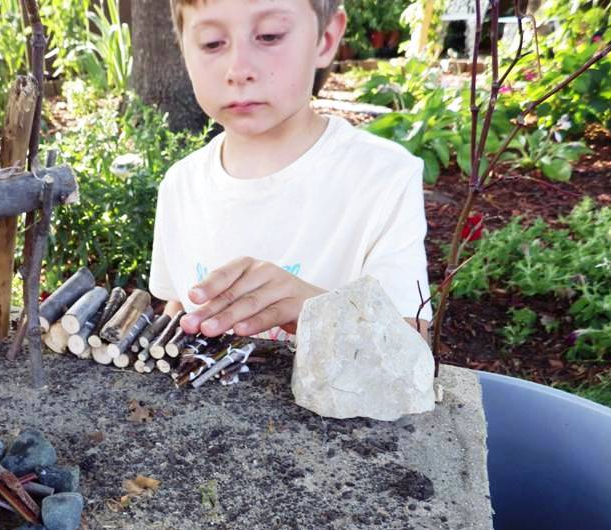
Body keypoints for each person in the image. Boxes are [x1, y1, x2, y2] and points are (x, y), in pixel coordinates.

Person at [149, 0, 432, 342]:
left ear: (325, 39)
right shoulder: (180, 185)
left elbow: (411, 344)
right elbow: (178, 304)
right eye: (211, 42)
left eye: (269, 36)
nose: (238, 70)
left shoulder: (383, 178)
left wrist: (316, 310)